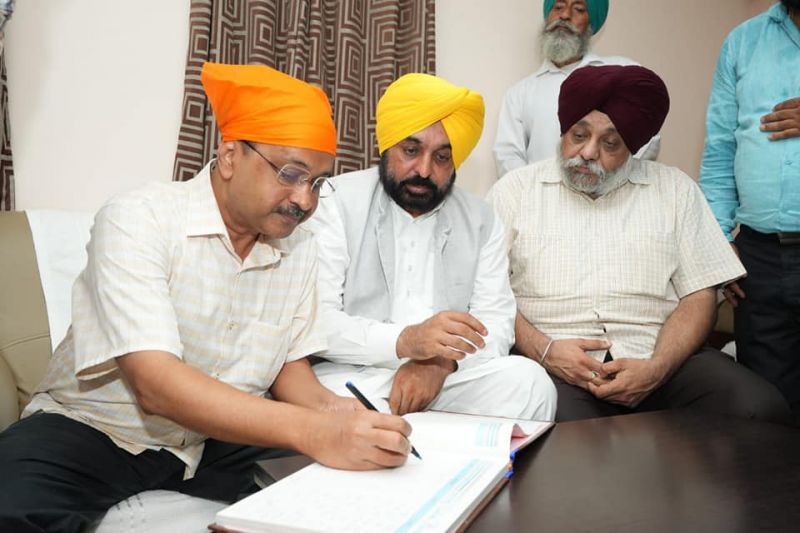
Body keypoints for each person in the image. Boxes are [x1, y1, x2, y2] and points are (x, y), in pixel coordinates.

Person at [0, 63, 413, 532]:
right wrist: (313, 430)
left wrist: (339, 414)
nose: (305, 200)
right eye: (291, 174)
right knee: (9, 504)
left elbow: (288, 367)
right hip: (97, 427)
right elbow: (155, 384)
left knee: (355, 490)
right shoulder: (139, 217)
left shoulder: (300, 245)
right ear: (231, 156)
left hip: (218, 438)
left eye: (317, 182)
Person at [487, 64, 791, 423]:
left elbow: (699, 294)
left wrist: (658, 367)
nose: (587, 152)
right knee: (571, 437)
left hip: (661, 359)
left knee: (759, 408)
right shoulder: (514, 192)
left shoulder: (675, 190)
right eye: (578, 135)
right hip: (555, 366)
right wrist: (545, 351)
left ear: (633, 145)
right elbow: (491, 295)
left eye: (610, 143)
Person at [306, 73, 556, 420]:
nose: (423, 170)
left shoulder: (481, 219)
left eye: (441, 157)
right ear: (387, 146)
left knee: (530, 384)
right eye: (411, 150)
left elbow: (496, 324)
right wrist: (408, 342)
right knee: (320, 397)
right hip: (359, 376)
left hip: (451, 377)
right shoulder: (336, 201)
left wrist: (439, 364)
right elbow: (319, 324)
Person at [700, 0, 800, 425]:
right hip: (758, 260)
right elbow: (720, 151)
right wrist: (718, 244)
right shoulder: (743, 41)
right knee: (767, 411)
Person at [493, 0, 660, 178]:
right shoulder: (520, 93)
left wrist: (608, 183)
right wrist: (534, 196)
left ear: (591, 23)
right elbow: (508, 156)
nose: (565, 15)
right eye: (558, 7)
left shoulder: (622, 71)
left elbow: (648, 137)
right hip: (542, 201)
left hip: (610, 197)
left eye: (578, 9)